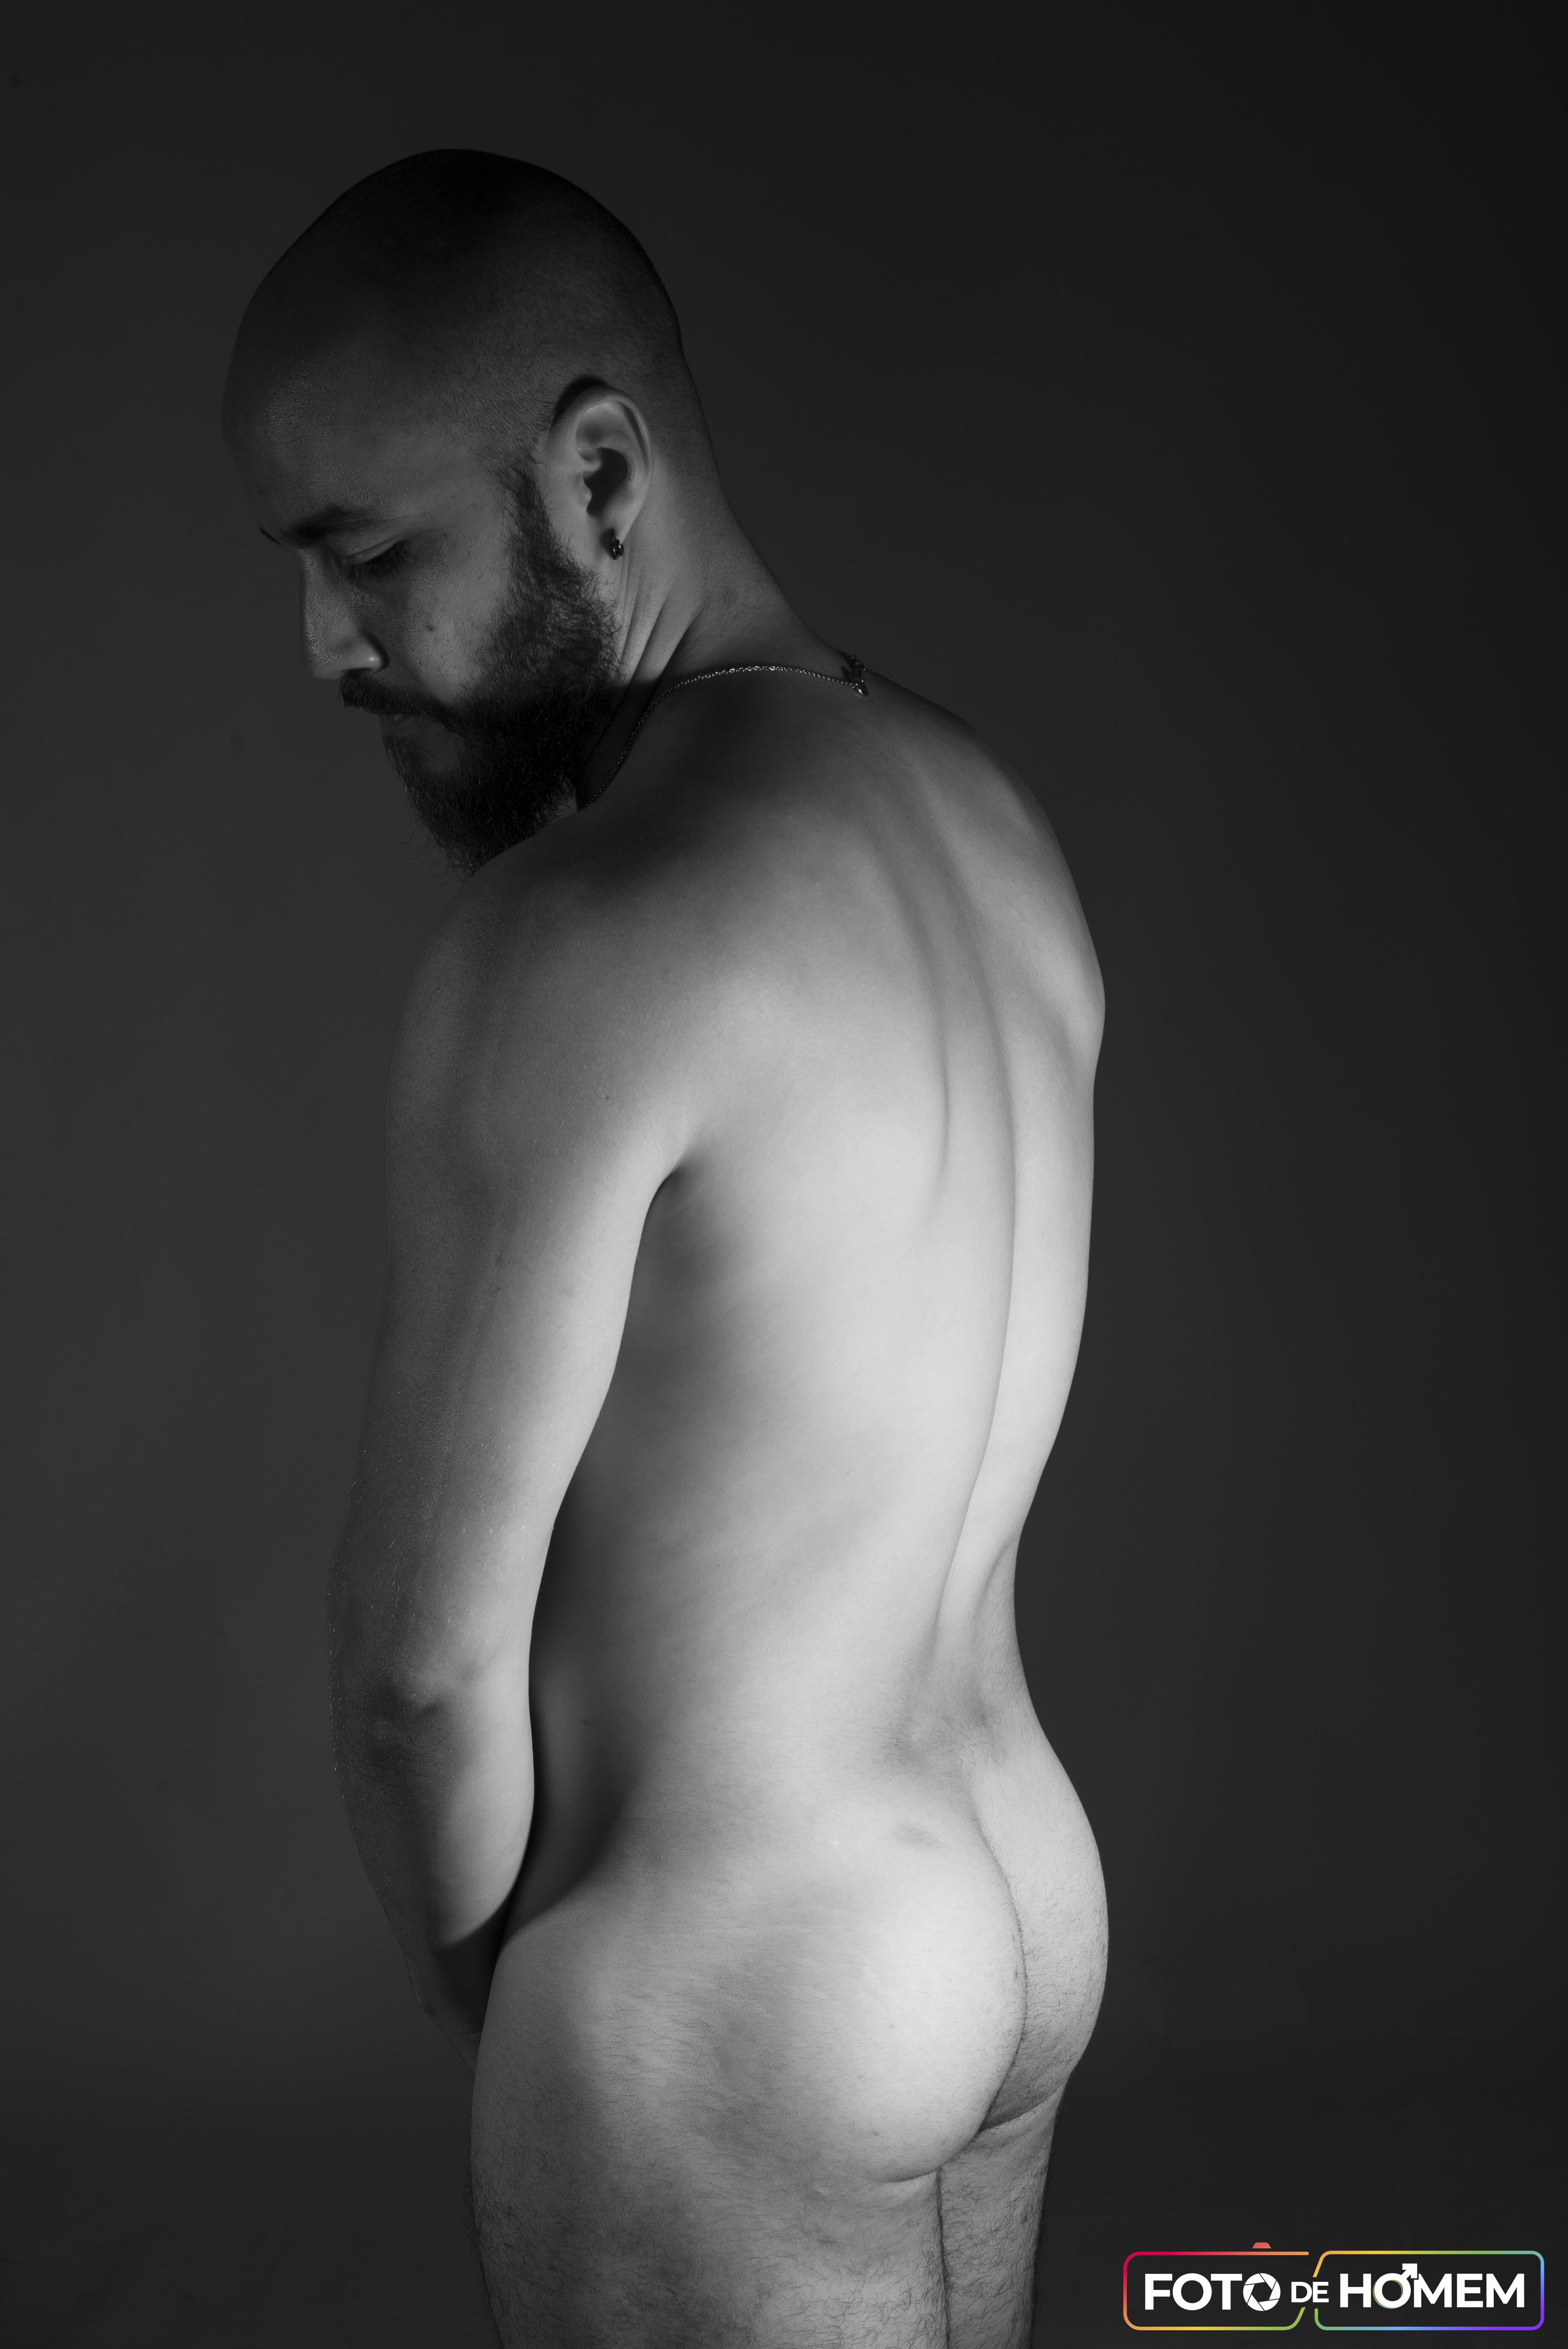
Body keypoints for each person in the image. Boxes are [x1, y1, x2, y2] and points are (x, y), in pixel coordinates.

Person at [223, 148, 1107, 2349]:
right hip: (1016, 1876)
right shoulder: (989, 824)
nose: (325, 647)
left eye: (370, 557)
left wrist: (550, 2021)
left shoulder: (588, 931)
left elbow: (416, 1677)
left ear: (600, 477)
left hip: (742, 1972)